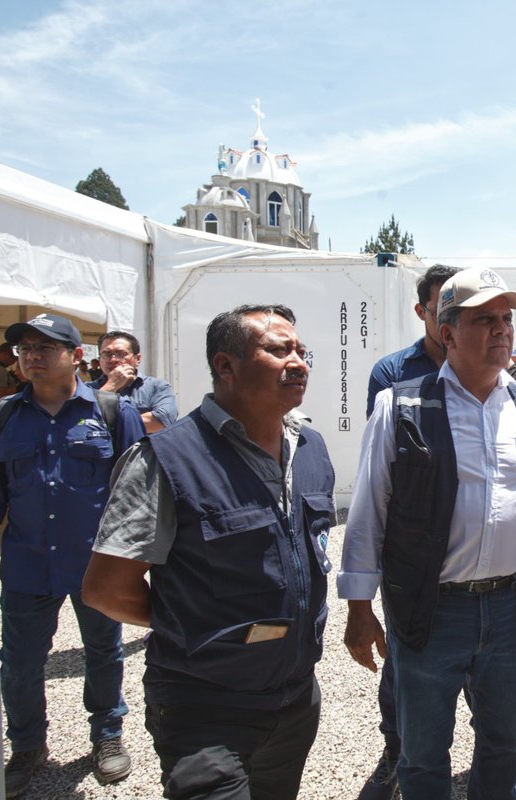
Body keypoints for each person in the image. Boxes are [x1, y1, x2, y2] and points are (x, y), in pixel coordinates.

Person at [340, 268, 516, 799]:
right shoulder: (401, 405)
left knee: (504, 743)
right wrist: (359, 608)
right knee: (423, 753)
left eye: (506, 318)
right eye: (485, 319)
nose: (502, 329)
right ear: (446, 331)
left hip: (511, 612)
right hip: (431, 612)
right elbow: (368, 513)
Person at [82, 304, 335, 800]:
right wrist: (197, 625)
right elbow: (106, 590)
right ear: (225, 365)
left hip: (295, 697)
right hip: (205, 706)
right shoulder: (167, 458)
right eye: (279, 350)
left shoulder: (311, 449)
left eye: (301, 351)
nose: (299, 362)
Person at [0, 313, 145, 797]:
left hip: (95, 566)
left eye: (45, 347)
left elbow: (138, 495)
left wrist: (133, 564)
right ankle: (28, 745)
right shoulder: (1, 418)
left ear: (78, 357)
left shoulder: (112, 412)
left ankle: (107, 735)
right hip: (27, 565)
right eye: (24, 349)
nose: (31, 356)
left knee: (104, 651)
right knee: (18, 661)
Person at [357, 263, 459, 800]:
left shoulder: (499, 368)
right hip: (413, 556)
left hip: (479, 557)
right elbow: (382, 472)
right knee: (401, 667)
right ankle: (396, 753)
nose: (452, 316)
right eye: (444, 305)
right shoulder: (392, 372)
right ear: (422, 311)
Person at [366, 264, 461, 419]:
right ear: (420, 312)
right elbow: (379, 439)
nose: (450, 323)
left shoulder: (482, 370)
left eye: (457, 312)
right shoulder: (391, 372)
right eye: (440, 313)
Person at [89, 330, 179, 433]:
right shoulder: (87, 389)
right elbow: (79, 421)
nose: (113, 359)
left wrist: (104, 422)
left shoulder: (157, 387)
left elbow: (160, 421)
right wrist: (111, 386)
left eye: (120, 353)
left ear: (138, 359)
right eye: (107, 354)